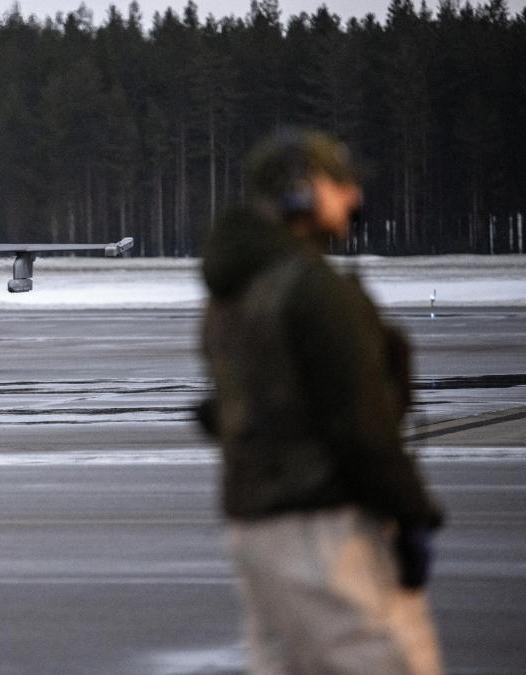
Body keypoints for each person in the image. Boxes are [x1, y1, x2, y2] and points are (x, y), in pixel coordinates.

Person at [197, 128, 445, 675]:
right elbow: (361, 426)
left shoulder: (232, 293)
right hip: (326, 532)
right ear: (301, 191)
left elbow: (225, 413)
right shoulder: (310, 289)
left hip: (254, 524)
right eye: (340, 184)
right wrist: (411, 513)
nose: (353, 198)